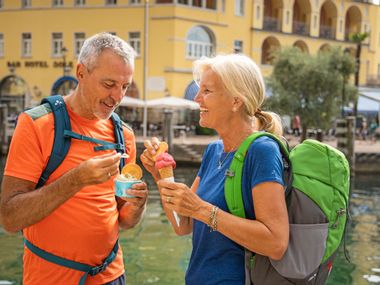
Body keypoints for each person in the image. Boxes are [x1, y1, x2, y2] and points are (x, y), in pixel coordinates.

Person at [0, 33, 148, 285]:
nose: (117, 96)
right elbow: (10, 218)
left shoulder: (125, 135)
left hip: (112, 276)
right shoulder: (36, 124)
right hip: (50, 278)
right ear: (81, 73)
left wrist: (138, 205)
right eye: (109, 84)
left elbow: (124, 220)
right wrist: (76, 179)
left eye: (124, 86)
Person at [141, 54, 289, 284]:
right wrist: (160, 175)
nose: (197, 98)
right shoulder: (213, 151)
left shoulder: (262, 150)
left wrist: (202, 209)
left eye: (207, 91)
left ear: (236, 101)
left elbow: (276, 243)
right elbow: (183, 225)